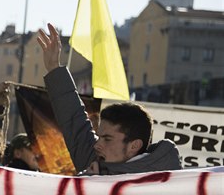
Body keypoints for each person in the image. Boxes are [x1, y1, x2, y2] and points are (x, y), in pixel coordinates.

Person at [37, 24, 180, 175]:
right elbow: (74, 121)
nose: (97, 145)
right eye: (99, 137)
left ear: (134, 146)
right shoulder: (95, 163)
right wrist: (54, 69)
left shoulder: (168, 187)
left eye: (107, 139)